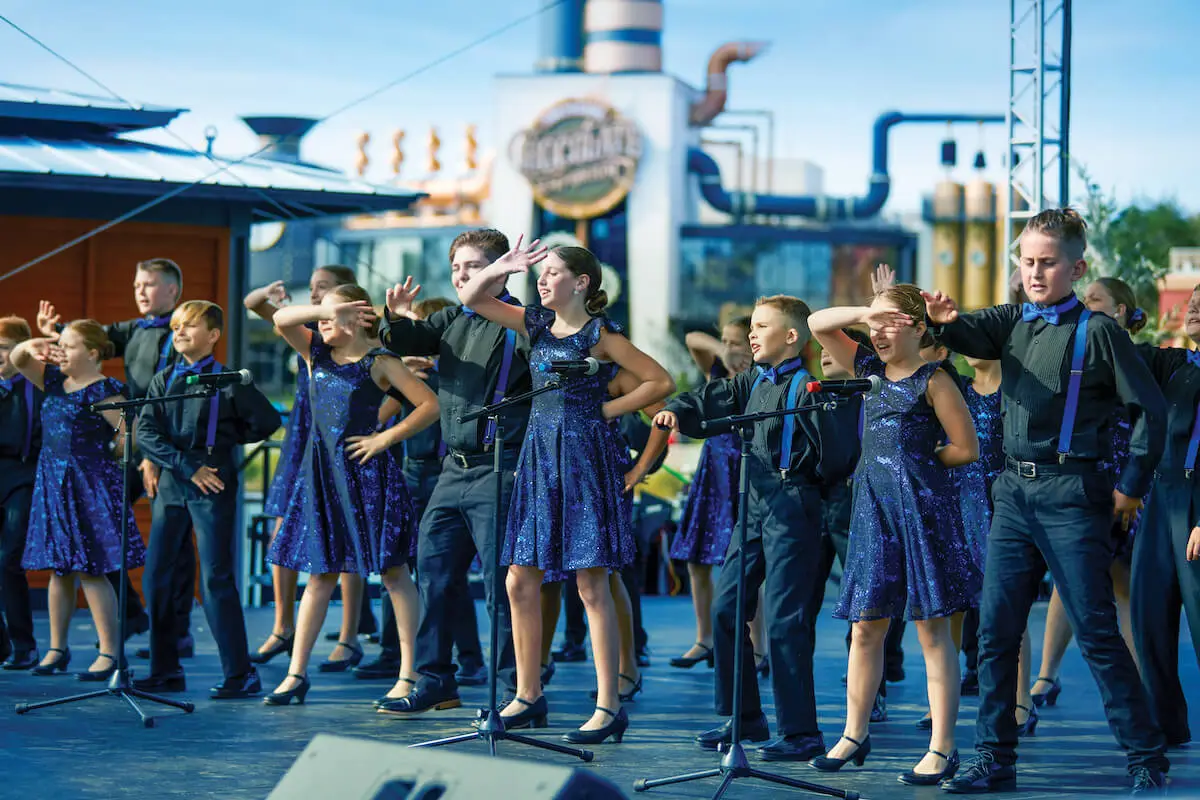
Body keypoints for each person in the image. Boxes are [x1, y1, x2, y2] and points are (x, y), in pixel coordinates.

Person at [923, 208, 1170, 794]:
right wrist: (941, 320)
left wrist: (1131, 487)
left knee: (1096, 630)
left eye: (1047, 262)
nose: (1034, 272)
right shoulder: (1011, 320)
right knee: (996, 631)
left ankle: (1145, 756)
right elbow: (961, 334)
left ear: (1077, 267)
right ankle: (994, 758)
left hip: (1070, 495)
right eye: (1027, 261)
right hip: (1012, 492)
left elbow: (1150, 414)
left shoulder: (1100, 331)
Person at [456, 238, 673, 743]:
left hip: (584, 461)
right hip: (539, 457)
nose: (542, 279)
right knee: (518, 579)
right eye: (541, 272)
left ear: (582, 283)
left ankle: (608, 704)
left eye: (552, 272)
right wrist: (503, 267)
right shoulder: (535, 324)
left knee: (591, 584)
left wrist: (603, 412)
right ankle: (528, 695)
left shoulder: (601, 335)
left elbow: (657, 381)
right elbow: (473, 299)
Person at [657, 294, 857, 762]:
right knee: (728, 609)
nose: (751, 334)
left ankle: (800, 731)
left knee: (787, 621)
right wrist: (676, 411)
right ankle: (742, 716)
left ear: (791, 337)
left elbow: (836, 459)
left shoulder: (809, 388)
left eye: (761, 327)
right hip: (754, 502)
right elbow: (708, 400)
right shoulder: (751, 381)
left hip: (793, 505)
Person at [808, 285, 981, 784]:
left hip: (923, 514)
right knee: (866, 626)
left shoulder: (935, 380)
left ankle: (942, 746)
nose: (877, 334)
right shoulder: (867, 371)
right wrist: (868, 311)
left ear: (919, 327)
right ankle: (853, 733)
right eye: (873, 326)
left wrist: (917, 470)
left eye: (890, 324)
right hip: (873, 512)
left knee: (932, 629)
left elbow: (965, 447)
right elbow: (820, 323)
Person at [375, 229, 531, 717]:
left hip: (500, 467)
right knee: (436, 577)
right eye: (457, 267)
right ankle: (436, 681)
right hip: (453, 470)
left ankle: (515, 692)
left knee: (502, 587)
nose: (462, 276)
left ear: (499, 268)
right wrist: (396, 317)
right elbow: (403, 339)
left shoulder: (524, 320)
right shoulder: (450, 318)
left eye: (473, 266)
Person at [263, 285, 437, 706]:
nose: (321, 319)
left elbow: (428, 404)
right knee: (321, 573)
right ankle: (296, 673)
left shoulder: (381, 362)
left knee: (394, 573)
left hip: (368, 476)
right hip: (322, 477)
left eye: (331, 314)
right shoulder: (315, 354)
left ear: (359, 318)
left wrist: (384, 438)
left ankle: (409, 673)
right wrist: (330, 307)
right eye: (320, 313)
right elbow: (279, 319)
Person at [133, 301, 282, 698]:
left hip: (212, 483)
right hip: (174, 484)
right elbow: (146, 433)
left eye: (190, 326)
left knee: (215, 578)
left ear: (213, 336)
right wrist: (185, 465)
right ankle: (165, 669)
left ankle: (240, 674)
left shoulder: (230, 380)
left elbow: (268, 421)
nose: (179, 331)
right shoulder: (164, 378)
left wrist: (223, 446)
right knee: (157, 577)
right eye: (176, 326)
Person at [37, 258, 188, 651]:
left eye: (150, 284)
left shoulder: (179, 335)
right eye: (137, 284)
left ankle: (177, 630)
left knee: (172, 540)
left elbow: (171, 400)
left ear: (172, 291)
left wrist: (154, 453)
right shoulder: (133, 328)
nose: (140, 291)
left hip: (164, 446)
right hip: (133, 445)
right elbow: (89, 339)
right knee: (103, 534)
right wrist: (53, 333)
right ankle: (132, 617)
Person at [243, 266, 377, 668]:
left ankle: (350, 634)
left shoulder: (347, 339)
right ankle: (283, 626)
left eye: (323, 288)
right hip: (303, 436)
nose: (315, 294)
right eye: (313, 287)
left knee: (349, 542)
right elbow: (253, 304)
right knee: (283, 532)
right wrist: (298, 302)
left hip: (342, 439)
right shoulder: (312, 334)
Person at [357, 296, 487, 694]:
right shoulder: (405, 375)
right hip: (415, 473)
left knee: (450, 576)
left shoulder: (462, 376)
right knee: (407, 569)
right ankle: (394, 651)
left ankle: (470, 658)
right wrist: (401, 376)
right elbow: (373, 418)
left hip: (453, 470)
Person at [1029, 276, 1147, 709]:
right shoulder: (1075, 347)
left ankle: (1138, 683)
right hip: (1083, 479)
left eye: (1094, 299)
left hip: (1123, 483)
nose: (1084, 304)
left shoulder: (1133, 355)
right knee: (1068, 576)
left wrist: (1130, 485)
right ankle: (1046, 674)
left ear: (1119, 312)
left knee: (1121, 584)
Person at [14, 321, 144, 680]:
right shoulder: (53, 381)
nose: (61, 352)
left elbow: (128, 441)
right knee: (60, 569)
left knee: (92, 570)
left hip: (89, 486)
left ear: (92, 352)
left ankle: (110, 652)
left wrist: (118, 448)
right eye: (60, 345)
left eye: (68, 346)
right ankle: (57, 647)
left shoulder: (104, 391)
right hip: (53, 485)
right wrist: (41, 341)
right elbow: (17, 356)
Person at [1133, 282, 1200, 749]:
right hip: (1162, 501)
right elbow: (1118, 354)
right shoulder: (1174, 363)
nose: (1193, 308)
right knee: (1149, 618)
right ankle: (1166, 728)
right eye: (1193, 301)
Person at [668, 318, 751, 671]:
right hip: (713, 469)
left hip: (744, 470)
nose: (731, 346)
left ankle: (756, 646)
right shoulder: (716, 369)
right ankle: (704, 638)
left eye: (738, 341)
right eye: (727, 340)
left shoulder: (763, 374)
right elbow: (692, 338)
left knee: (748, 562)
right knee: (696, 559)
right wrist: (724, 351)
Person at [0, 316, 43, 670]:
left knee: (9, 558)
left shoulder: (36, 386)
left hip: (24, 475)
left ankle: (23, 644)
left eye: (3, 349)